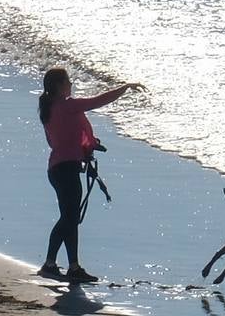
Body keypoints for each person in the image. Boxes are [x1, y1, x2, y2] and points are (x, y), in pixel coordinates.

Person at [36, 67, 144, 283]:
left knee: (70, 218)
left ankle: (72, 267)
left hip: (58, 169)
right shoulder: (67, 106)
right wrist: (125, 87)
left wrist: (88, 146)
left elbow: (58, 140)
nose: (71, 84)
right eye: (68, 81)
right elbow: (98, 101)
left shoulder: (49, 109)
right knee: (69, 218)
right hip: (65, 169)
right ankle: (50, 264)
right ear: (59, 86)